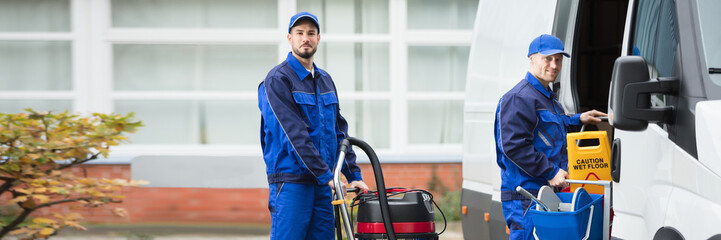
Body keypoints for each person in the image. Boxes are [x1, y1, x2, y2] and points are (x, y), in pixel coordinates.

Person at [257, 12, 369, 240]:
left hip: (323, 184)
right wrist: (327, 175)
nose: (305, 38)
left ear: (318, 38)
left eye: (311, 33)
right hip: (292, 183)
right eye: (299, 33)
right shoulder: (278, 80)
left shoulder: (325, 79)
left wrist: (352, 174)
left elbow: (339, 133)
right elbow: (292, 135)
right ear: (289, 38)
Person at [494, 34, 607, 240]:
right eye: (548, 58)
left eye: (558, 59)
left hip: (546, 195)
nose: (554, 65)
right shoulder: (519, 98)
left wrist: (579, 119)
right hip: (526, 197)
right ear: (532, 59)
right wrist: (551, 171)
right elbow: (513, 147)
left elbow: (550, 129)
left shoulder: (550, 100)